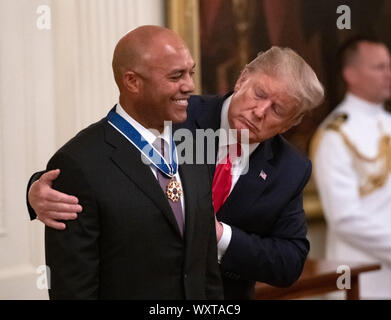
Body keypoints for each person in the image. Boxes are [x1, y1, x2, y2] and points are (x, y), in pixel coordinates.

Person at [28, 45, 324, 299]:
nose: (260, 111)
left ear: (290, 124)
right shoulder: (176, 114)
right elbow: (104, 157)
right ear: (243, 78)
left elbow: (288, 262)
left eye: (278, 110)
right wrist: (35, 190)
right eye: (259, 94)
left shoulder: (290, 168)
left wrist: (219, 235)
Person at [29, 25, 223, 299]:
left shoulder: (194, 144)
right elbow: (73, 290)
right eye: (176, 75)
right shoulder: (78, 164)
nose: (190, 85)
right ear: (132, 81)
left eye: (190, 72)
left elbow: (206, 270)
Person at [311, 36, 391, 298]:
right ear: (350, 74)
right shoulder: (335, 134)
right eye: (379, 67)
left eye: (388, 66)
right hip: (363, 276)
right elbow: (345, 217)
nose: (388, 74)